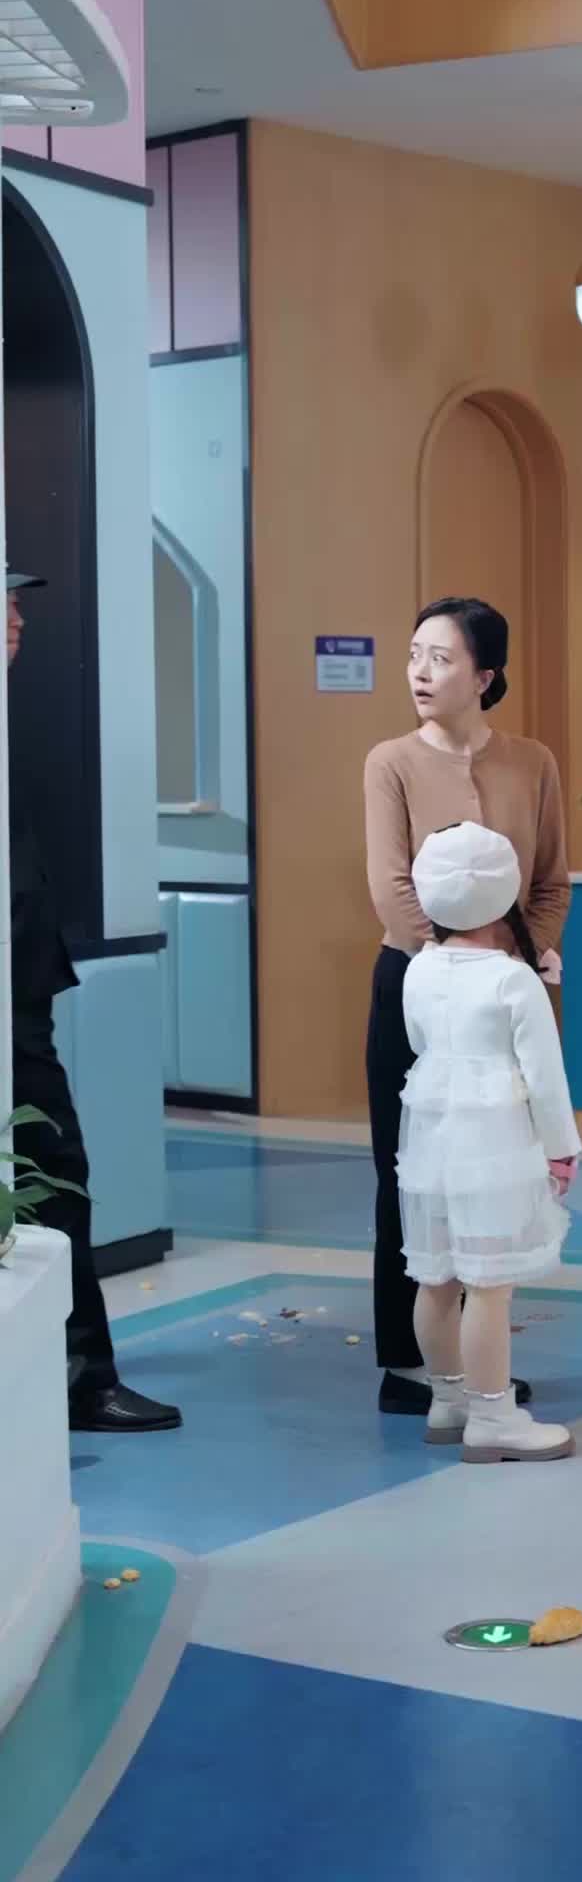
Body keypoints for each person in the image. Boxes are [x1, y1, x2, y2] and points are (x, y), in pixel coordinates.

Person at [364, 598, 570, 1417]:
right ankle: (409, 1365)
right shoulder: (390, 761)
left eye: (441, 658)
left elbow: (550, 882)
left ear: (484, 676)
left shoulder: (533, 762)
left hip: (508, 990)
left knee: (495, 1174)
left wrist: (512, 958)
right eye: (415, 654)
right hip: (415, 986)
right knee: (409, 1172)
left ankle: (476, 1367)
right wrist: (456, 957)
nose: (420, 671)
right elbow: (391, 885)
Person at [7, 573, 180, 1432]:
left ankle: (77, 1376)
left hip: (21, 995)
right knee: (52, 1174)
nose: (17, 620)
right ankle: (77, 1378)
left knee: (53, 1178)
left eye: (18, 604)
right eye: (1, 603)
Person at [399, 822, 580, 1462]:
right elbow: (545, 1077)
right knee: (489, 1283)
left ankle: (447, 1400)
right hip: (495, 1142)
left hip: (430, 1136)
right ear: (504, 893)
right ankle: (494, 1416)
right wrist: (560, 1147)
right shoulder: (514, 980)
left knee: (436, 1277)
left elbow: (419, 1042)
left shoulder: (418, 967)